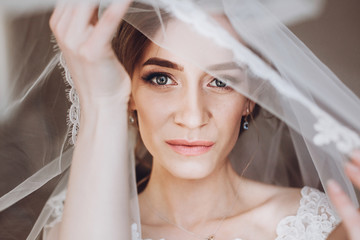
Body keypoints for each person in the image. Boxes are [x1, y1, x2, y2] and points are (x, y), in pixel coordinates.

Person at [0, 1, 359, 240]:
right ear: (130, 94)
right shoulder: (81, 220)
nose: (192, 116)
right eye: (161, 78)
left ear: (250, 99)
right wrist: (102, 99)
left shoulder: (317, 225)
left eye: (221, 82)